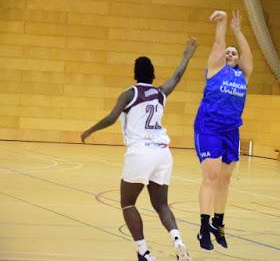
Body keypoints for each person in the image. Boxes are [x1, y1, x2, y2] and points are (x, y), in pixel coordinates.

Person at [81, 38, 198, 261]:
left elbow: (111, 118)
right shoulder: (161, 92)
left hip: (141, 152)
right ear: (153, 75)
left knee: (127, 203)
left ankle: (144, 252)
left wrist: (89, 130)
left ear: (135, 74)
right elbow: (176, 77)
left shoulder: (129, 94)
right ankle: (177, 241)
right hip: (163, 153)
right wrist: (187, 55)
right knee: (161, 203)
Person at [194, 10, 253, 251]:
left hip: (231, 130)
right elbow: (219, 44)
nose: (230, 52)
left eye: (234, 52)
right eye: (228, 51)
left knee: (225, 179)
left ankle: (219, 223)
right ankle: (203, 228)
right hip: (209, 127)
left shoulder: (243, 75)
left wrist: (238, 31)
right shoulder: (215, 70)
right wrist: (223, 23)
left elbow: (248, 54)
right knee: (211, 176)